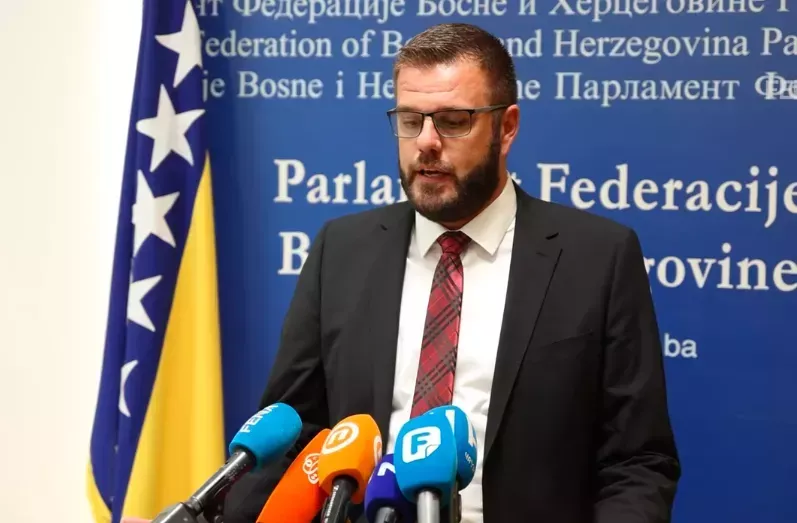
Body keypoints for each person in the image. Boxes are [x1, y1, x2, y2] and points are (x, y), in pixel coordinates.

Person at [219, 22, 681, 523]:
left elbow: (637, 462)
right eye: (409, 120)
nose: (426, 142)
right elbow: (292, 439)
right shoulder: (342, 250)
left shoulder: (596, 257)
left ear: (506, 127)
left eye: (453, 121)